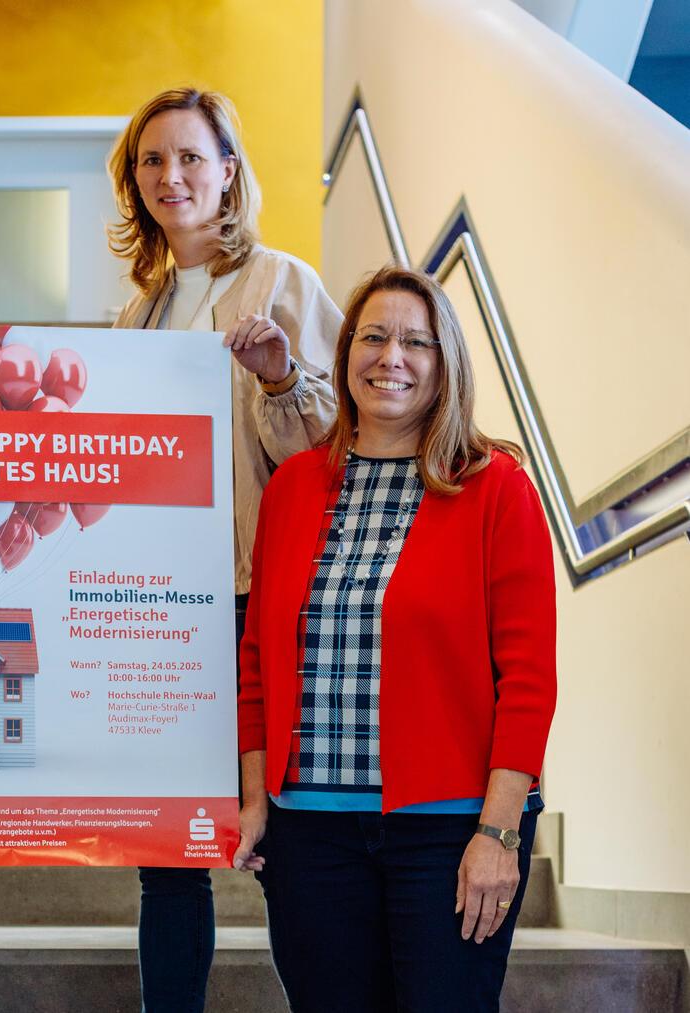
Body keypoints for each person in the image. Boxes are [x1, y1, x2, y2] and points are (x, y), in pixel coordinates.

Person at [234, 265, 558, 1011]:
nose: (392, 357)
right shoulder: (293, 487)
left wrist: (499, 834)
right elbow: (257, 662)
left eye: (417, 342)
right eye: (373, 337)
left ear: (446, 364)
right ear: (345, 353)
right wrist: (257, 798)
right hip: (311, 834)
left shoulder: (495, 487)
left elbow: (529, 679)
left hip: (449, 831)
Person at [107, 87, 341, 1012]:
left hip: (256, 606)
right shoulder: (134, 320)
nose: (172, 177)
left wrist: (281, 375)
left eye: (191, 157)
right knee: (169, 856)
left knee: (284, 845)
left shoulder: (284, 283)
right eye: (152, 161)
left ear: (229, 169)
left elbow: (334, 452)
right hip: (159, 614)